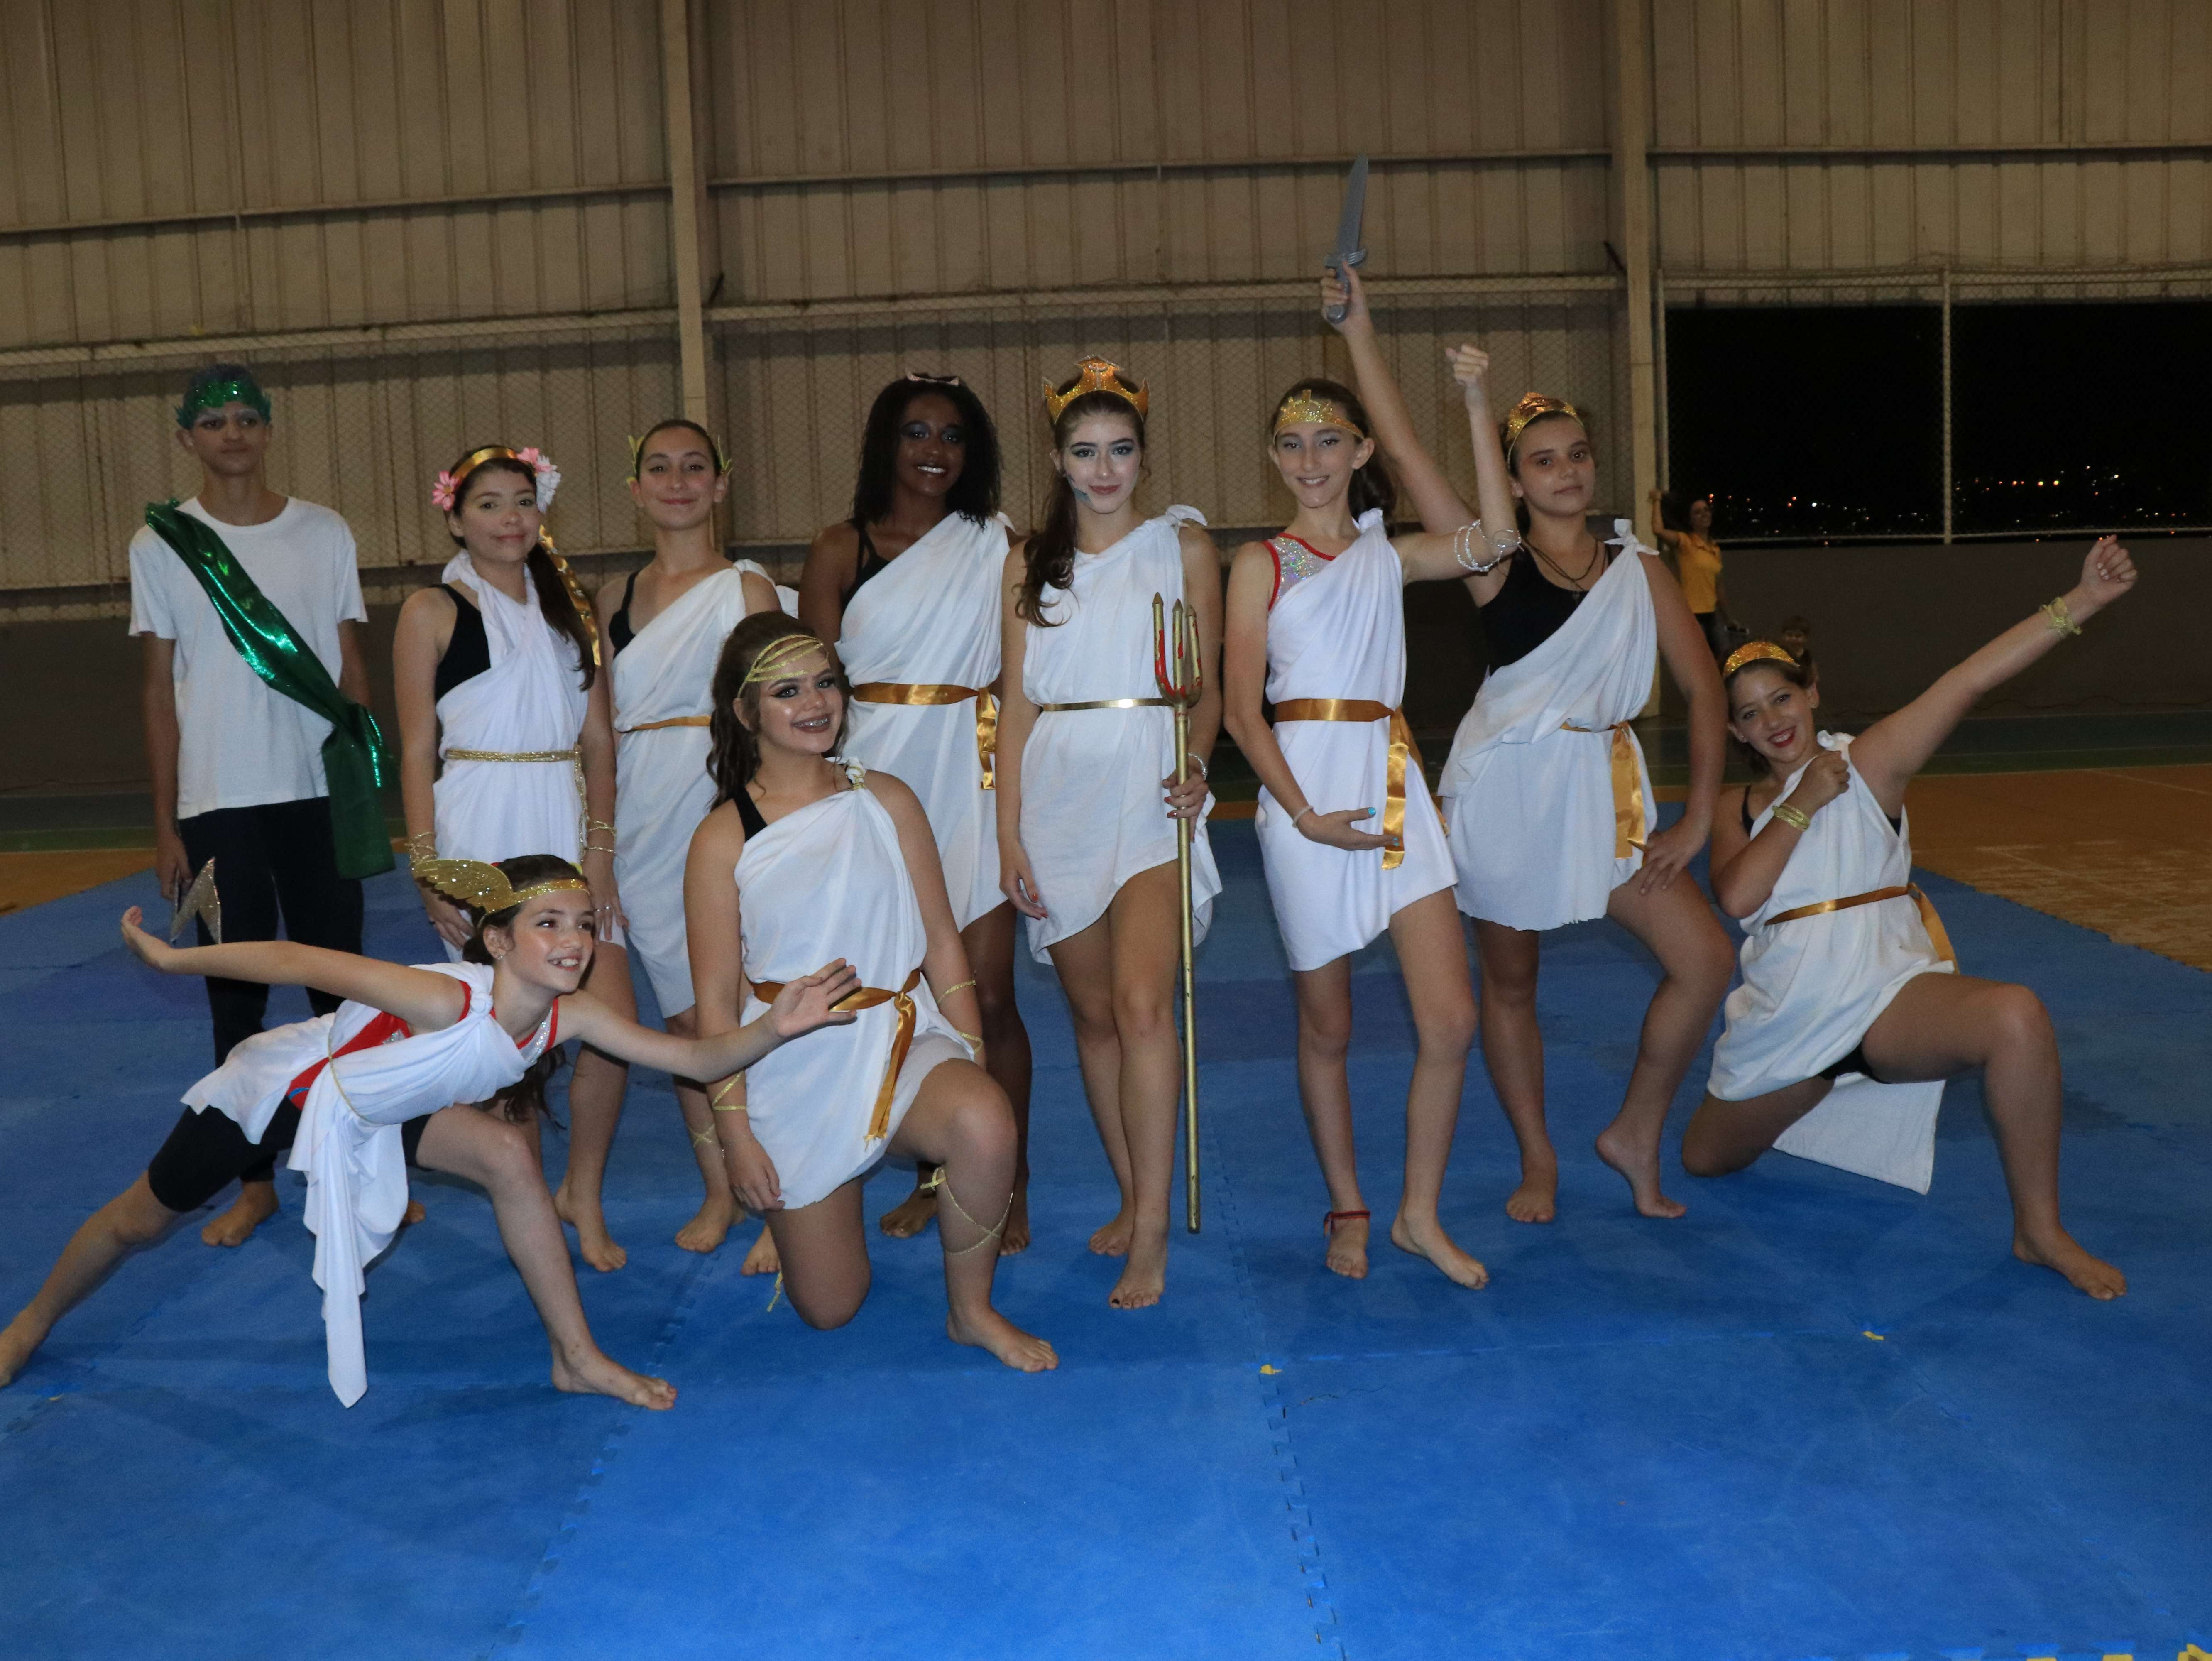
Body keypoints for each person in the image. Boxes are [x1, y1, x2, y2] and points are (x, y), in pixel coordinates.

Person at [0, 855, 861, 1403]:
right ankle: (32, 1321)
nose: (573, 940)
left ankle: (576, 1356)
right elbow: (299, 961)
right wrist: (172, 958)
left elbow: (700, 1058)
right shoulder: (445, 999)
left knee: (509, 1155)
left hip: (380, 1104)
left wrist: (774, 1026)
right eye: (548, 924)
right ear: (498, 941)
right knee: (138, 1221)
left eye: (584, 924)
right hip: (280, 1091)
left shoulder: (573, 1016)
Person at [1342, 267, 1735, 1224]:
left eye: (1578, 454)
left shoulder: (1642, 568)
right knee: (1511, 983)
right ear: (1514, 479)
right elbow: (1405, 448)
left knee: (1705, 963)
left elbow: (1704, 690)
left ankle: (1635, 1130)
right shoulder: (1494, 562)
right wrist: (1357, 330)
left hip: (1608, 795)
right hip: (1507, 795)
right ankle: (1537, 1157)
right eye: (1545, 460)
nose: (1567, 472)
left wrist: (1694, 818)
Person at [1679, 541, 2136, 1300]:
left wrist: (2082, 600)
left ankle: (2039, 1229)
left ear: (1812, 692)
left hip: (1887, 1000)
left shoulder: (1870, 763)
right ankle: (1823, 1093)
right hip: (1790, 1022)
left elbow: (1966, 680)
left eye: (1782, 699)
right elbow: (1736, 898)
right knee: (1702, 1159)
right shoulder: (1739, 808)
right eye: (1750, 714)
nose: (1772, 721)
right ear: (1736, 735)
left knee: (2016, 1016)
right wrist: (1802, 801)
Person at [683, 615, 1057, 1371]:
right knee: (831, 1309)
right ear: (746, 712)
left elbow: (943, 942)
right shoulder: (721, 838)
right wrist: (737, 1138)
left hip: (898, 1035)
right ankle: (811, 1209)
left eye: (825, 682)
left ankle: (972, 1311)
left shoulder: (887, 798)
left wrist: (971, 1054)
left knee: (985, 1123)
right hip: (793, 1069)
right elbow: (716, 1008)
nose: (815, 702)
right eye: (788, 691)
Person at [1219, 339, 1487, 1287]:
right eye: (1291, 443)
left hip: (1392, 782)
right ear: (1274, 456)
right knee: (1326, 1026)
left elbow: (1493, 542)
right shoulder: (1259, 563)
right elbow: (1240, 712)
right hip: (1306, 802)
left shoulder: (1387, 555)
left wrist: (1475, 405)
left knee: (1450, 1021)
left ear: (1362, 450)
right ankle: (1349, 1205)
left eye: (1329, 440)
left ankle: (1418, 1212)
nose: (1310, 459)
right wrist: (1303, 816)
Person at [128, 362, 380, 1249]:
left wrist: (359, 785)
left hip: (315, 792)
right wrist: (167, 822)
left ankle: (360, 1170)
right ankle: (255, 1183)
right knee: (234, 1003)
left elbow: (350, 666)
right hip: (217, 802)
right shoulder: (161, 542)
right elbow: (158, 688)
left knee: (342, 988)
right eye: (213, 421)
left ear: (269, 430)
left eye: (246, 417)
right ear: (186, 437)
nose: (231, 433)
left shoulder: (325, 530)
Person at [994, 358, 1222, 1310]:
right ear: (1057, 459)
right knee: (1092, 1016)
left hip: (1149, 791)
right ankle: (1132, 1193)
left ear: (1143, 456)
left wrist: (1198, 760)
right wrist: (1007, 834)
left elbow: (1205, 689)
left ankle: (1153, 1232)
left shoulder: (1184, 547)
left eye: (1120, 450)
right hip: (1059, 797)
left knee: (1141, 1007)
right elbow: (1015, 706)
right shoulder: (1026, 564)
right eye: (1084, 452)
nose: (1103, 469)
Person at [798, 372, 1035, 1258]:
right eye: (916, 433)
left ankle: (1008, 1183)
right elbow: (807, 692)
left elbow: (1020, 678)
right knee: (891, 992)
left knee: (989, 995)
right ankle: (939, 1174)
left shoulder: (999, 546)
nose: (934, 452)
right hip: (872, 786)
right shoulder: (838, 548)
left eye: (953, 436)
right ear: (884, 444)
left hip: (970, 780)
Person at [391, 444, 636, 1271]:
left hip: (563, 820)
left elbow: (599, 742)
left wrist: (598, 853)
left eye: (523, 501)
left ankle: (582, 1192)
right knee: (507, 1043)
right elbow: (415, 747)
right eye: (489, 504)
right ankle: (527, 1198)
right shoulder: (431, 609)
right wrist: (429, 866)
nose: (509, 518)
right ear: (456, 519)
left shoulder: (571, 608)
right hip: (480, 826)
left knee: (613, 1025)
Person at [591, 419, 780, 1261]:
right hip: (641, 815)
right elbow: (599, 731)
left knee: (744, 1007)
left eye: (694, 467)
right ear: (635, 490)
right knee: (683, 1017)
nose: (677, 482)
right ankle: (721, 1187)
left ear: (720, 484)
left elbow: (780, 711)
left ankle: (781, 1194)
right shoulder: (611, 596)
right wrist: (600, 846)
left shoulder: (747, 588)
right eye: (660, 469)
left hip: (726, 804)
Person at [1649, 489, 1730, 658]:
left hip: (1712, 615)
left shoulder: (1714, 549)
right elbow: (1658, 530)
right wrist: (1657, 500)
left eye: (1707, 510)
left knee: (1725, 659)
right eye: (1698, 512)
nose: (1704, 514)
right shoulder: (1686, 542)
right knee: (1700, 659)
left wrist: (1728, 618)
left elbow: (1718, 586)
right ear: (1690, 520)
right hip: (1692, 615)